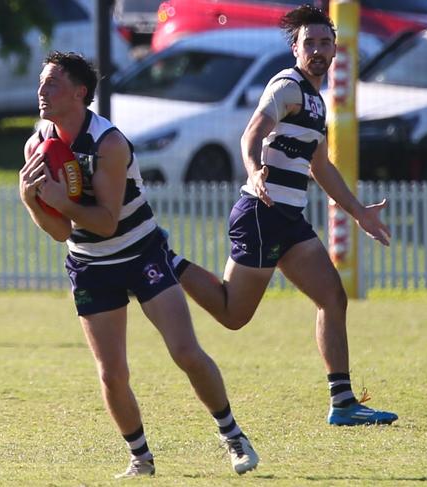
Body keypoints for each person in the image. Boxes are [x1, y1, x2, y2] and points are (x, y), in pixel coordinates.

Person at [18, 51, 259, 478]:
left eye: (52, 83)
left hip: (141, 252)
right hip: (90, 264)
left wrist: (59, 201)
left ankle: (233, 435)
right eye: (41, 82)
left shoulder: (109, 143)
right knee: (112, 374)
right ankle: (140, 458)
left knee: (185, 351)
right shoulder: (36, 144)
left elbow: (108, 222)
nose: (42, 91)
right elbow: (60, 233)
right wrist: (31, 202)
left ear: (80, 92)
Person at [169, 5, 398, 426]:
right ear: (295, 49)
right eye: (308, 43)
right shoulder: (288, 85)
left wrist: (359, 212)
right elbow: (252, 131)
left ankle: (343, 403)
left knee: (332, 297)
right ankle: (165, 261)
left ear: (335, 50)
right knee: (233, 315)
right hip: (262, 211)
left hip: (288, 220)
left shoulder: (315, 101)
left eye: (324, 43)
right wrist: (255, 170)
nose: (317, 49)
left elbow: (320, 167)